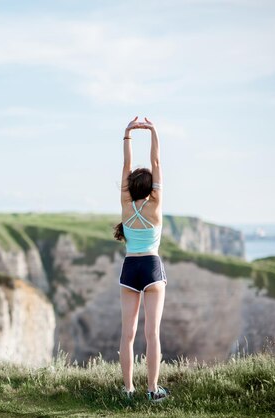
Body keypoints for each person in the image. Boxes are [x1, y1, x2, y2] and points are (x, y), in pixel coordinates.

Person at [113, 116, 170, 402]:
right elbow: (157, 162)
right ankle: (152, 391)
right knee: (152, 334)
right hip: (151, 266)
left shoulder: (125, 204)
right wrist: (154, 131)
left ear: (131, 185)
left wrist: (128, 135)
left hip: (130, 268)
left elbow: (125, 167)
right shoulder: (156, 206)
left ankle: (128, 391)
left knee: (128, 335)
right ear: (150, 186)